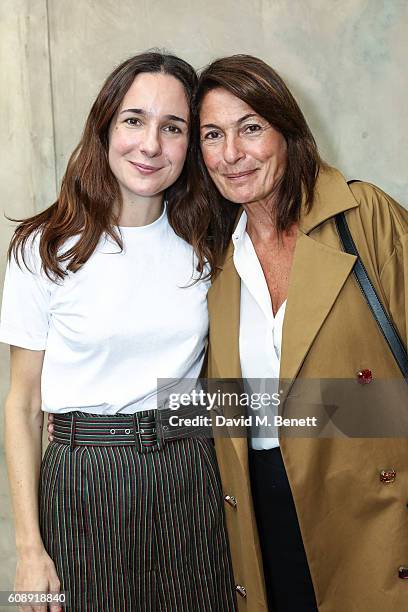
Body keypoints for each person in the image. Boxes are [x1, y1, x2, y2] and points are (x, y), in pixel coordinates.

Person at [0, 51, 237, 612]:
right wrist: (28, 550)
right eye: (134, 120)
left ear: (191, 146)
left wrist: (361, 410)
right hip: (85, 480)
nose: (150, 145)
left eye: (173, 127)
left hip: (190, 473)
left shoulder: (210, 245)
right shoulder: (43, 247)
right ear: (104, 127)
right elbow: (23, 404)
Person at [189, 54, 408, 612]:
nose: (231, 154)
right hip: (263, 516)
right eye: (213, 135)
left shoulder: (365, 216)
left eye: (251, 129)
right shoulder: (214, 259)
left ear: (288, 133)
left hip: (376, 511)